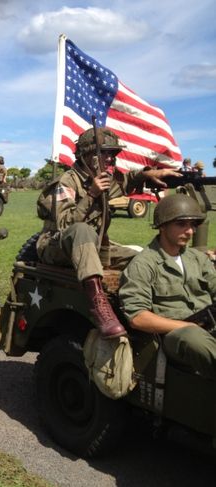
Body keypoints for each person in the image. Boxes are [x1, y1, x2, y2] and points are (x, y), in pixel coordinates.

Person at [36, 127, 180, 338]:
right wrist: (91, 194)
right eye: (106, 153)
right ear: (87, 155)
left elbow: (127, 181)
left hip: (92, 248)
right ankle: (98, 303)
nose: (111, 158)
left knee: (141, 259)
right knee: (82, 229)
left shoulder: (105, 178)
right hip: (56, 246)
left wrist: (148, 174)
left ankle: (151, 307)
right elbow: (65, 226)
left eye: (114, 154)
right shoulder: (68, 181)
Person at [119, 194, 216, 379]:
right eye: (181, 224)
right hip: (174, 334)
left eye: (192, 225)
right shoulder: (144, 264)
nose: (190, 231)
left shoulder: (197, 259)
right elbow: (137, 317)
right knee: (194, 340)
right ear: (163, 226)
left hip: (207, 322)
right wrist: (186, 325)